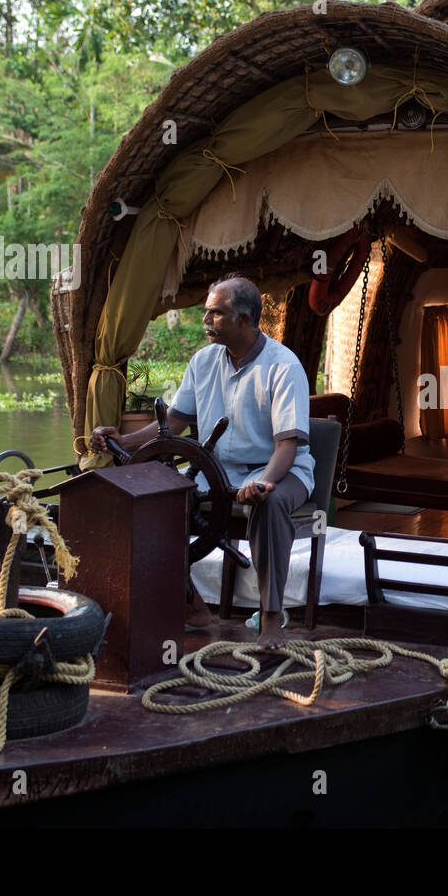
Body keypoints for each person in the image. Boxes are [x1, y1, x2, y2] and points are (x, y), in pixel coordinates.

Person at [89, 274, 314, 648]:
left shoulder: (283, 366)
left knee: (270, 504)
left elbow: (287, 446)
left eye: (216, 314)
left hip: (281, 469)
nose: (206, 321)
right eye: (206, 312)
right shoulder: (203, 361)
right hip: (216, 473)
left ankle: (271, 618)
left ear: (245, 319)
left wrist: (263, 483)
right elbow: (173, 425)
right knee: (153, 503)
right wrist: (122, 439)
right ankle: (191, 604)